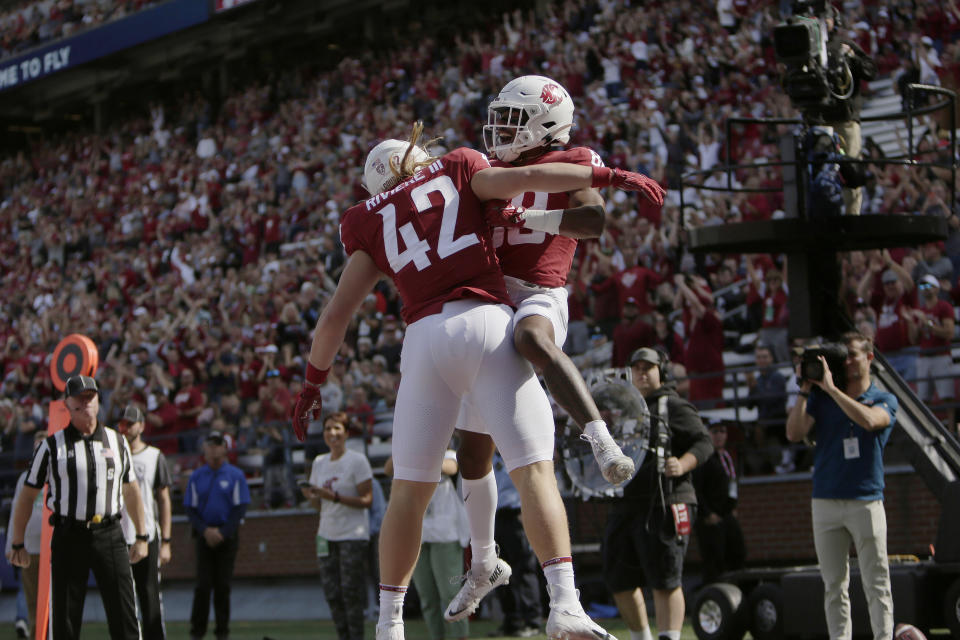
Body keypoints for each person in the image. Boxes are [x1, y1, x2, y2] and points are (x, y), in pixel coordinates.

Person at [291, 122, 659, 640]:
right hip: (484, 323)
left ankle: (389, 623)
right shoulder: (458, 166)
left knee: (407, 492)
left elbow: (333, 318)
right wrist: (609, 174)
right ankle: (564, 603)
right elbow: (531, 173)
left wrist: (312, 383)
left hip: (421, 342)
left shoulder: (368, 219)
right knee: (533, 472)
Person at [448, 76, 662, 624]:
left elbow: (594, 219)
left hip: (541, 293)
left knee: (531, 337)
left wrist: (532, 218)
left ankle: (601, 439)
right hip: (489, 299)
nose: (501, 131)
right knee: (471, 452)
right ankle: (482, 563)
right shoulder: (489, 170)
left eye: (514, 120)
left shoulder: (572, 160)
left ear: (546, 123)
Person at [5, 375, 149, 640]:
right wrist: (17, 542)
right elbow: (27, 495)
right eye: (79, 397)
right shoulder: (51, 446)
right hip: (69, 534)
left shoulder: (117, 442)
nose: (86, 402)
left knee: (125, 614)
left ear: (98, 399)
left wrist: (141, 535)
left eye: (90, 396)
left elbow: (131, 489)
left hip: (110, 533)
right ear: (67, 403)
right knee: (66, 619)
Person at [786, 331, 896, 640]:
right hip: (826, 500)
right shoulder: (820, 397)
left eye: (852, 355)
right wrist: (805, 389)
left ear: (869, 358)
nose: (845, 361)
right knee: (834, 584)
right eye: (841, 355)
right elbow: (794, 433)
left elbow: (871, 421)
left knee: (876, 581)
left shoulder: (884, 398)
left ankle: (883, 637)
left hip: (866, 500)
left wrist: (833, 390)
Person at [607, 348, 713, 640]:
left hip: (667, 501)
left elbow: (704, 443)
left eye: (648, 367)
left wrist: (683, 463)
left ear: (661, 372)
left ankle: (669, 636)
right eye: (636, 367)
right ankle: (641, 637)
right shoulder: (624, 409)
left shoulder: (674, 406)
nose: (641, 372)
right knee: (619, 579)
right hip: (626, 503)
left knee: (665, 578)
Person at [303, 412, 373, 640]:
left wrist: (334, 497)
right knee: (332, 594)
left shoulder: (357, 460)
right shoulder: (319, 462)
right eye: (328, 429)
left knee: (351, 593)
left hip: (352, 535)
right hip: (326, 534)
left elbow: (367, 500)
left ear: (346, 433)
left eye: (337, 429)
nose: (332, 433)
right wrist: (311, 496)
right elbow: (319, 506)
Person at [385, 449, 468, 640]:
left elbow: (451, 468)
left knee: (450, 594)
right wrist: (406, 443)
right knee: (427, 598)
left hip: (446, 536)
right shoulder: (410, 448)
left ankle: (460, 636)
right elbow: (388, 468)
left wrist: (418, 452)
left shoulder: (448, 454)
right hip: (417, 536)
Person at [184, 430, 251, 640]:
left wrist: (223, 532)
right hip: (204, 536)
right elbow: (190, 509)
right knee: (202, 586)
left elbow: (240, 507)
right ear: (204, 449)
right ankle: (197, 632)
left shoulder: (235, 475)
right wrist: (205, 530)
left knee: (223, 586)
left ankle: (222, 632)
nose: (214, 450)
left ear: (225, 448)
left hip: (227, 536)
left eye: (217, 445)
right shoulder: (196, 476)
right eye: (210, 445)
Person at [812, 6, 878, 215]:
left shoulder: (845, 45)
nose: (822, 22)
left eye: (826, 18)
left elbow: (870, 72)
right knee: (818, 168)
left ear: (835, 21)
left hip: (846, 117)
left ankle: (853, 215)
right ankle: (823, 214)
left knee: (852, 168)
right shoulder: (810, 51)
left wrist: (853, 58)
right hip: (820, 120)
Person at [119, 405, 174, 640]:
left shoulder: (154, 456)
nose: (127, 427)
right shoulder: (114, 454)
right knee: (123, 599)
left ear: (141, 426)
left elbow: (164, 499)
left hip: (148, 535)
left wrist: (166, 542)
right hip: (119, 535)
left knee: (150, 597)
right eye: (123, 423)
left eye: (131, 423)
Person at [488, 452, 543, 638]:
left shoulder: (514, 453)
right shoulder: (487, 457)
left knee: (524, 569)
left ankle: (532, 621)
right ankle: (511, 620)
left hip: (516, 514)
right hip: (494, 518)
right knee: (498, 571)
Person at [692, 421, 746, 585]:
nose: (719, 435)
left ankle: (737, 590)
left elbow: (732, 484)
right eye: (715, 432)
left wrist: (733, 506)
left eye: (722, 431)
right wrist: (707, 513)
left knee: (738, 552)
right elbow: (696, 488)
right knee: (714, 559)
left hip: (726, 514)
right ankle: (714, 596)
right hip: (710, 518)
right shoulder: (703, 458)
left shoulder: (726, 457)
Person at [5, 430, 46, 640]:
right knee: (32, 601)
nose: (38, 451)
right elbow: (15, 512)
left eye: (43, 447)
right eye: (36, 447)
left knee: (54, 600)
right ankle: (35, 636)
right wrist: (12, 545)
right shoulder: (25, 477)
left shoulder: (58, 475)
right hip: (29, 548)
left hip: (53, 548)